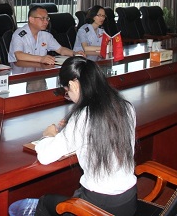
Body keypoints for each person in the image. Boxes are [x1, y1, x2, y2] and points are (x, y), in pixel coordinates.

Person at [34, 57, 137, 216]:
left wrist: (48, 136)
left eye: (67, 91)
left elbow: (45, 156)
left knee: (44, 202)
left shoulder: (83, 116)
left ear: (74, 84)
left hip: (98, 207)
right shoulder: (126, 107)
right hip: (128, 202)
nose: (69, 96)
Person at [8, 5, 84, 64]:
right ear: (31, 19)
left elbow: (60, 49)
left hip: (38, 70)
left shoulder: (46, 35)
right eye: (42, 18)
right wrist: (41, 59)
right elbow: (19, 55)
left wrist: (74, 53)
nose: (46, 22)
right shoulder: (19, 34)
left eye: (47, 18)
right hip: (19, 72)